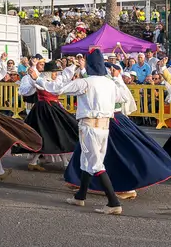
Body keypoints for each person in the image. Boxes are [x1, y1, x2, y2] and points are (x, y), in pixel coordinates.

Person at [30, 47, 131, 215]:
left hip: (89, 126)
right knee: (87, 160)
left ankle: (113, 201)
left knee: (95, 163)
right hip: (104, 127)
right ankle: (80, 196)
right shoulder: (110, 83)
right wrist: (116, 80)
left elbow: (57, 89)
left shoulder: (85, 82)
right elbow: (123, 97)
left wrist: (38, 79)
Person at [64, 62, 171, 199]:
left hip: (110, 120)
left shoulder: (107, 82)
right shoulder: (108, 82)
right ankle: (80, 184)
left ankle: (118, 192)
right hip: (107, 120)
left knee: (113, 155)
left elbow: (122, 97)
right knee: (89, 153)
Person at [15, 59, 79, 171]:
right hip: (44, 110)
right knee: (50, 134)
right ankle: (61, 162)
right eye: (54, 72)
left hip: (53, 108)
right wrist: (32, 79)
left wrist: (73, 66)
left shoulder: (51, 80)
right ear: (49, 73)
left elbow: (64, 76)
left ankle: (39, 161)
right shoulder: (41, 81)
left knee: (56, 133)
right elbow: (25, 91)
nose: (56, 74)